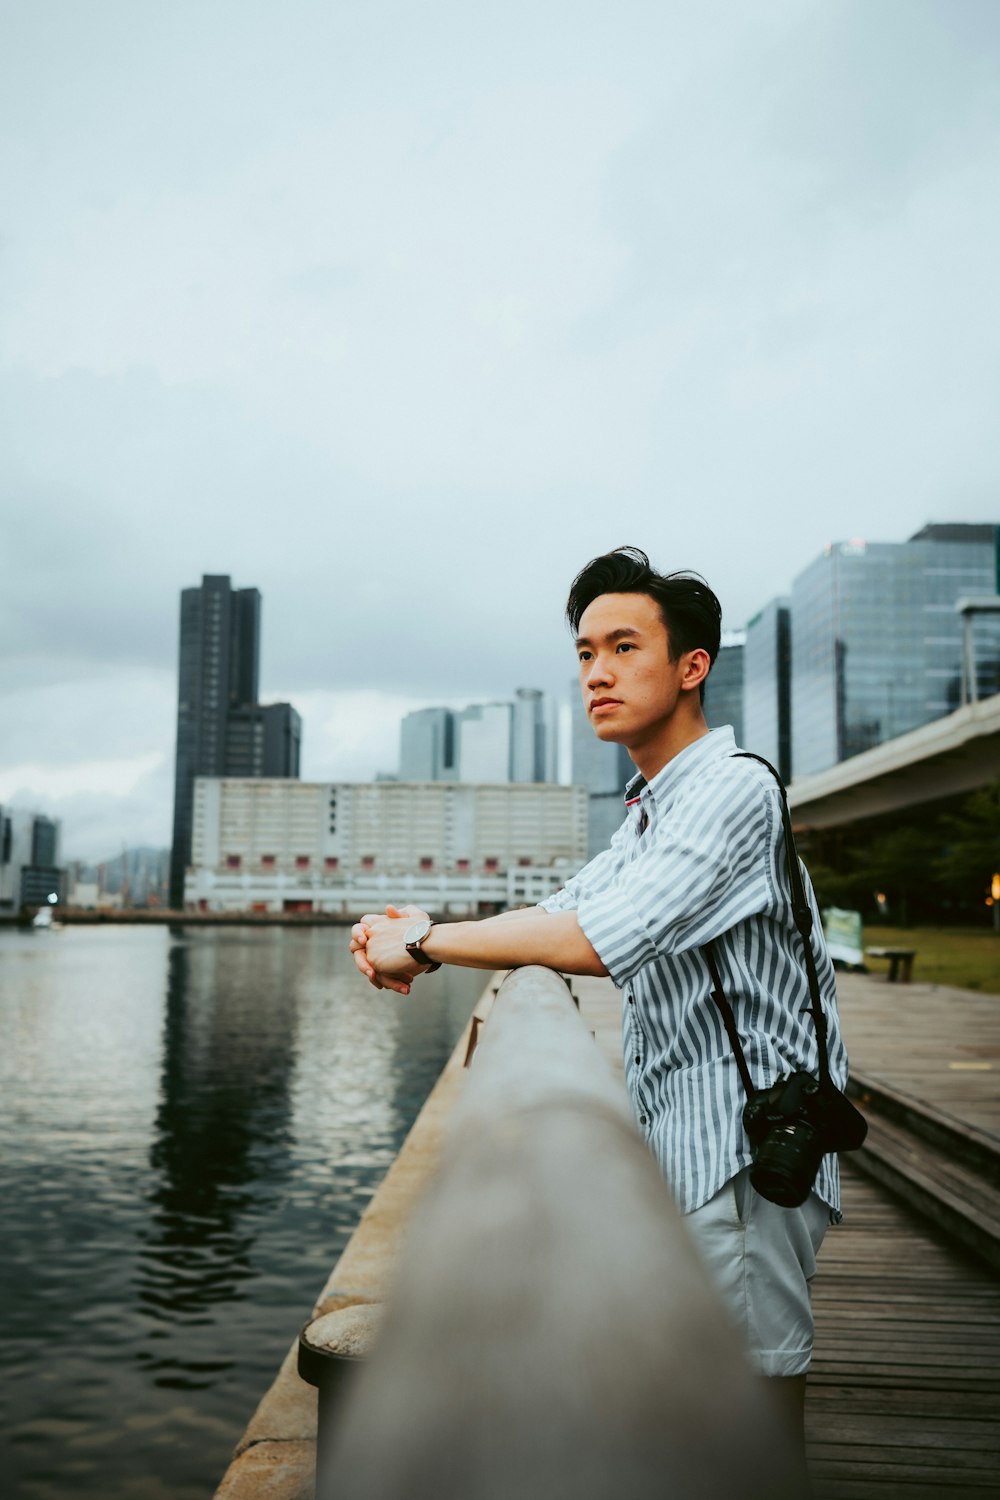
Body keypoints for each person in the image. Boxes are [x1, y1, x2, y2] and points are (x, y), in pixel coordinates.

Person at [350, 545, 847, 1448]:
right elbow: (559, 910)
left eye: (624, 647)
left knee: (749, 1400)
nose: (598, 673)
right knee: (701, 1396)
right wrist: (424, 938)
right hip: (693, 1143)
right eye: (584, 653)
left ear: (692, 665)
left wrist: (419, 945)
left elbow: (595, 941)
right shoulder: (654, 806)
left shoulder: (732, 792)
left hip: (747, 1155)